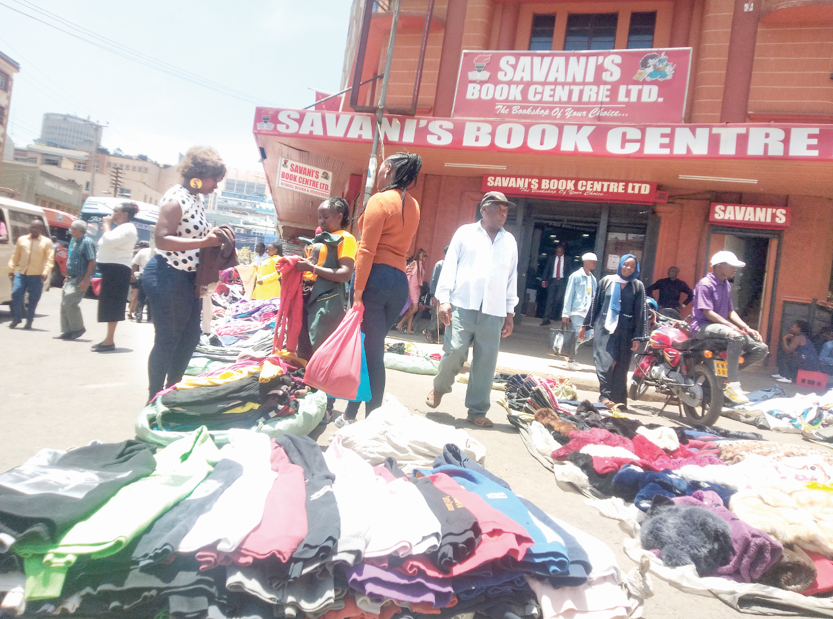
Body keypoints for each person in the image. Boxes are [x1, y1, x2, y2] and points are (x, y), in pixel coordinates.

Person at [334, 152, 423, 428]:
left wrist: (357, 292)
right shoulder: (414, 205)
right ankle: (351, 413)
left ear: (386, 169)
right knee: (369, 349)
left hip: (375, 278)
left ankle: (372, 419)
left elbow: (366, 249)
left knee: (371, 353)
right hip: (398, 282)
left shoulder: (380, 200)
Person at [425, 192, 519, 428]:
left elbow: (511, 277)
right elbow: (450, 267)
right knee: (455, 351)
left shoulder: (510, 242)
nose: (503, 213)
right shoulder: (465, 233)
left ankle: (477, 410)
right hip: (461, 305)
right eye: (499, 209)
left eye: (506, 210)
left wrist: (510, 313)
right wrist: (444, 300)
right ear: (484, 209)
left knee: (486, 362)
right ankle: (439, 387)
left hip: (494, 311)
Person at [142, 146, 226, 401]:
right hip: (168, 275)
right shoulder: (176, 198)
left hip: (188, 280)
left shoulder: (195, 199)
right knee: (168, 339)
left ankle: (172, 389)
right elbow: (162, 240)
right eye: (215, 180)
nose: (215, 186)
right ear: (199, 175)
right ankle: (154, 397)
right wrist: (205, 243)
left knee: (189, 338)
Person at [295, 197, 357, 419]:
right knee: (305, 350)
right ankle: (309, 393)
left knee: (323, 353)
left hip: (327, 300)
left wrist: (311, 267)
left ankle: (326, 406)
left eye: (326, 216)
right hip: (308, 297)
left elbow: (345, 274)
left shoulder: (346, 239)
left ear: (340, 217)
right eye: (319, 215)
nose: (321, 220)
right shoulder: (319, 239)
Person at [689, 250, 769, 405]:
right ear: (720, 266)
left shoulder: (726, 284)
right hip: (702, 327)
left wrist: (747, 328)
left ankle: (725, 374)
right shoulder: (706, 284)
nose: (735, 269)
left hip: (722, 328)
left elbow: (730, 311)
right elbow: (708, 312)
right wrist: (730, 326)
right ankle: (733, 384)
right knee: (735, 336)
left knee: (761, 349)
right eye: (732, 265)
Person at [579, 254, 646, 409]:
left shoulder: (637, 286)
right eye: (625, 264)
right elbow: (595, 304)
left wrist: (637, 337)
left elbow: (640, 313)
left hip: (626, 331)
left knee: (620, 365)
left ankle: (618, 400)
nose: (628, 268)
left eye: (632, 266)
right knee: (605, 362)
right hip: (605, 329)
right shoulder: (607, 281)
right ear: (620, 265)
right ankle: (605, 395)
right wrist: (586, 325)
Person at [92, 202, 139, 352]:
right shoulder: (121, 228)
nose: (112, 214)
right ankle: (108, 339)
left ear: (124, 214)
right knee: (108, 304)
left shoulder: (128, 228)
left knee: (112, 305)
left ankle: (109, 340)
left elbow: (109, 241)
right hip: (112, 270)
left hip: (117, 270)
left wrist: (106, 224)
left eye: (115, 211)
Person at [8, 218, 54, 329]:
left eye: (36, 227)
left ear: (41, 229)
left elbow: (49, 258)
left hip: (37, 276)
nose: (34, 229)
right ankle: (17, 318)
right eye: (32, 227)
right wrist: (11, 269)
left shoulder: (46, 242)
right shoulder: (22, 240)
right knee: (16, 294)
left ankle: (29, 321)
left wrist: (46, 272)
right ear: (29, 227)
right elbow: (15, 256)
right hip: (21, 274)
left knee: (33, 299)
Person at [54, 220, 96, 340]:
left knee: (70, 303)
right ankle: (68, 331)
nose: (70, 231)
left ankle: (78, 328)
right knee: (64, 305)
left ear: (77, 229)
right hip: (72, 278)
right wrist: (68, 276)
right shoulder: (76, 242)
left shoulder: (87, 242)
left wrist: (86, 279)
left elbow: (92, 261)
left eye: (72, 229)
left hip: (80, 278)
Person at [561, 252, 598, 371]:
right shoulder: (575, 276)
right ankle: (571, 359)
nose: (594, 264)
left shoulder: (593, 279)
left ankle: (568, 352)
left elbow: (595, 296)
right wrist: (565, 313)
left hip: (588, 313)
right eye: (592, 261)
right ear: (585, 261)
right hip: (577, 311)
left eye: (595, 262)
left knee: (589, 335)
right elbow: (569, 294)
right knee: (578, 334)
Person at [396, 248, 427, 333]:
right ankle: (401, 323)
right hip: (412, 287)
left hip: (416, 288)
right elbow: (408, 274)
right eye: (423, 255)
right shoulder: (415, 263)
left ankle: (409, 329)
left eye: (425, 256)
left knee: (411, 309)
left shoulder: (421, 265)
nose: (425, 258)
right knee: (415, 308)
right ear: (419, 255)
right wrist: (408, 288)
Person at [424, 246, 448, 343]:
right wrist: (433, 295)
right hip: (438, 294)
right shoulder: (439, 264)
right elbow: (433, 280)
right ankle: (429, 332)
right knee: (435, 314)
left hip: (447, 295)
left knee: (441, 316)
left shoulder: (453, 265)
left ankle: (434, 336)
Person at [541, 243, 568, 326]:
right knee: (550, 300)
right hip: (552, 281)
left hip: (562, 281)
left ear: (563, 252)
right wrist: (543, 280)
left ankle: (556, 315)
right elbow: (547, 269)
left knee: (558, 299)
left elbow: (570, 271)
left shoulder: (568, 259)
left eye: (560, 252)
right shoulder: (551, 258)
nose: (558, 254)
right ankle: (546, 318)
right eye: (557, 252)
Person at [129, 241, 153, 321]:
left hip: (142, 275)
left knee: (141, 297)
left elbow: (134, 264)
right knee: (150, 297)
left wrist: (132, 274)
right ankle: (150, 317)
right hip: (153, 275)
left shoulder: (142, 251)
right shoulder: (155, 250)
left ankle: (138, 316)